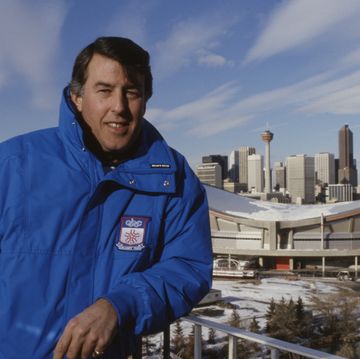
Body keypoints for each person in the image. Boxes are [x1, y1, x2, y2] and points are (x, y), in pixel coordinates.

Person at [0, 37, 212, 358]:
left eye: (132, 92)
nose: (119, 107)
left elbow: (187, 267)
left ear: (146, 100)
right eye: (104, 90)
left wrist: (119, 305)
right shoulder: (13, 164)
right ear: (77, 97)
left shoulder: (175, 177)